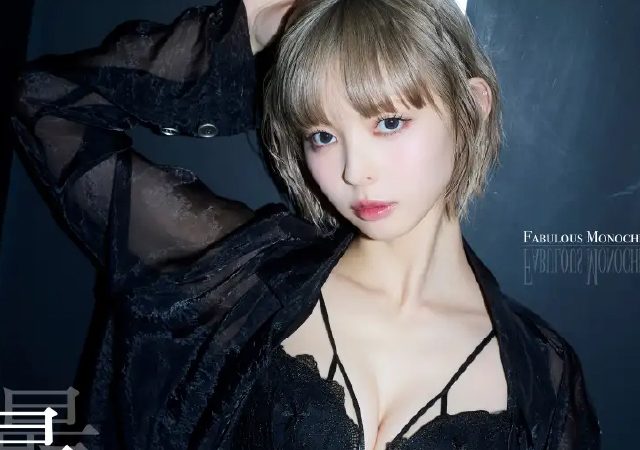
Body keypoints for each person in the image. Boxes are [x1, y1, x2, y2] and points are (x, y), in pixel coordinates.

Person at [11, 0, 601, 448]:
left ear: (472, 105)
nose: (353, 170)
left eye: (388, 122)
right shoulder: (239, 281)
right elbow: (44, 100)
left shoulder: (543, 381)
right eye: (322, 134)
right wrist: (250, 27)